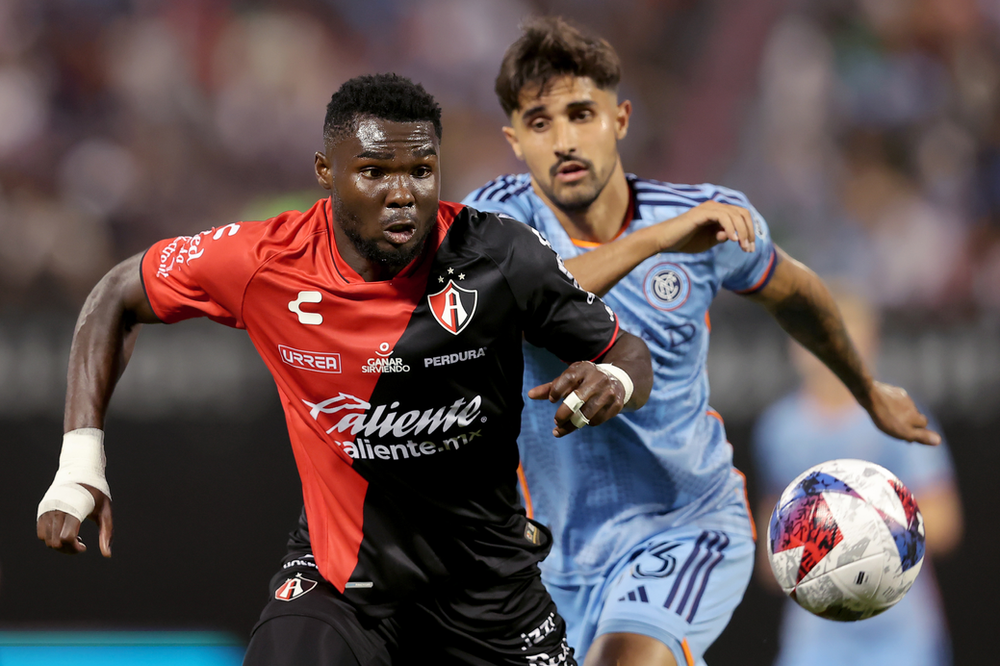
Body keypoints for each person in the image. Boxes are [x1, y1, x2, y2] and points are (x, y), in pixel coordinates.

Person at [35, 73, 655, 666]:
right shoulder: (265, 263)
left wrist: (616, 382)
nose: (402, 193)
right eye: (374, 172)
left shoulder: (500, 255)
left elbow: (627, 351)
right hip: (340, 584)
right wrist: (79, 465)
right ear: (326, 172)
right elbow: (117, 293)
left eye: (420, 170)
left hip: (489, 591)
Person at [461, 17, 940, 666]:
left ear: (621, 119)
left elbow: (796, 292)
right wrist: (654, 241)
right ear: (514, 140)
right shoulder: (492, 218)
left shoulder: (704, 219)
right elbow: (526, 296)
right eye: (540, 123)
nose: (565, 140)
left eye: (582, 114)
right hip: (556, 560)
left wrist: (867, 389)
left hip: (686, 529)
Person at [752, 292, 962, 666]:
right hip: (816, 639)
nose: (830, 352)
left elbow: (945, 524)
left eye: (844, 338)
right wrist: (813, 550)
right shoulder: (779, 429)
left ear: (870, 343)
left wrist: (860, 530)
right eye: (816, 338)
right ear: (795, 346)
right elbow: (771, 561)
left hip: (900, 637)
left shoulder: (901, 416)